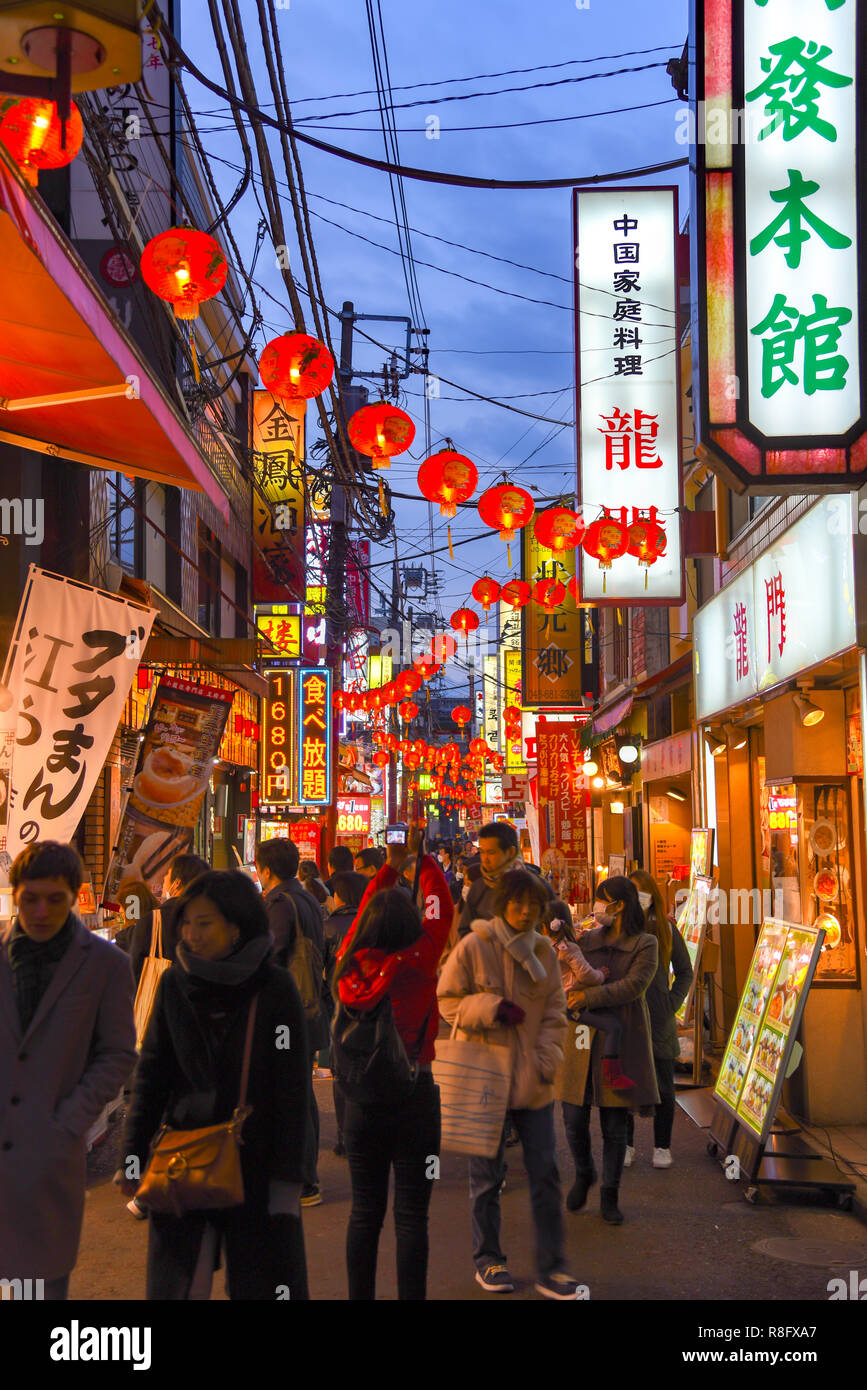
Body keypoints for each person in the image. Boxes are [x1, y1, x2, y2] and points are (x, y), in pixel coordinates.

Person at [119, 870, 310, 1299]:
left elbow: (292, 1090)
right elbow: (150, 1076)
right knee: (183, 1283)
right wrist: (132, 1158)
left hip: (257, 1163)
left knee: (262, 1284)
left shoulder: (274, 987)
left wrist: (288, 1179)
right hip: (185, 1160)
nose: (191, 934)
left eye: (204, 924)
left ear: (237, 926)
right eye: (186, 923)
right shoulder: (175, 983)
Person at [438, 869, 583, 1300]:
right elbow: (447, 1001)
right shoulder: (474, 946)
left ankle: (552, 1269)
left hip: (532, 1079)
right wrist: (489, 1008)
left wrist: (546, 1060)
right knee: (485, 1178)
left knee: (546, 1173)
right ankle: (489, 1261)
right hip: (482, 1073)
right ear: (502, 904)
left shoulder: (545, 952)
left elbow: (556, 1014)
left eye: (533, 906)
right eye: (518, 903)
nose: (525, 912)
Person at [0, 841, 136, 1299]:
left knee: (35, 1288)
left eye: (54, 899)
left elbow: (118, 1053)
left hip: (48, 1158)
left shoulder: (105, 966)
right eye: (29, 899)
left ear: (75, 896)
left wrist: (68, 1121)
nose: (40, 911)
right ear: (14, 894)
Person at [333, 830, 452, 1300]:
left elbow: (367, 910)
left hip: (359, 1101)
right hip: (415, 1097)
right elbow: (439, 907)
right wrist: (420, 863)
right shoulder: (421, 959)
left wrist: (389, 868)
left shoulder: (349, 962)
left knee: (364, 1212)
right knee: (411, 1217)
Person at [555, 876, 659, 1226]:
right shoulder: (586, 938)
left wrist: (589, 996)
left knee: (615, 1122)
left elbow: (635, 986)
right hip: (581, 1033)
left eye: (604, 901)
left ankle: (610, 1194)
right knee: (573, 1116)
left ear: (621, 906)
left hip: (621, 1035)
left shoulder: (646, 943)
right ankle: (585, 1173)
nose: (597, 908)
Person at [255, 838, 327, 1207]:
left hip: (287, 1014)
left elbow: (269, 956)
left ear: (266, 871)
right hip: (310, 1006)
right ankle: (303, 1175)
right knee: (299, 1091)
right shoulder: (309, 898)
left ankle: (302, 1180)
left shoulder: (280, 904)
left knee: (290, 1095)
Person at [627, 869, 693, 1169]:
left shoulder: (665, 929)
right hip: (625, 1017)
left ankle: (662, 1145)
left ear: (652, 895)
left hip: (658, 1016)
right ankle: (625, 1145)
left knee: (664, 1085)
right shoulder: (618, 929)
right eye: (631, 893)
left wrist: (671, 1002)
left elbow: (685, 971)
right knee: (623, 1084)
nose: (637, 899)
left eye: (642, 892)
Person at [542, 899, 635, 1090]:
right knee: (613, 1026)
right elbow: (586, 974)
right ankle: (612, 1075)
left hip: (557, 1003)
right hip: (573, 1003)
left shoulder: (546, 947)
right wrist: (601, 974)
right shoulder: (568, 949)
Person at [323, 871, 365, 1143]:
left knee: (342, 1072)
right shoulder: (370, 922)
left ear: (339, 896)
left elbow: (322, 969)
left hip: (339, 1005)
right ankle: (366, 1134)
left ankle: (345, 1136)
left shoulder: (329, 926)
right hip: (371, 1004)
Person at [126, 853, 209, 985]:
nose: (164, 878)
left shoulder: (152, 920)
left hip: (159, 1001)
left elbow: (132, 971)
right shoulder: (212, 921)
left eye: (167, 874)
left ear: (176, 883)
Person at [458, 822, 553, 937]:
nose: (485, 859)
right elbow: (464, 931)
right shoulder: (478, 888)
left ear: (511, 852)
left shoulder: (537, 887)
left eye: (491, 852)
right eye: (482, 852)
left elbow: (553, 930)